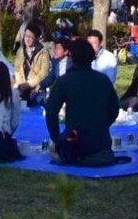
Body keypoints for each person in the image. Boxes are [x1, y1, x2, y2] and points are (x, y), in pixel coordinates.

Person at [44, 38, 120, 167]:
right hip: (101, 145)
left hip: (75, 144)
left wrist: (57, 138)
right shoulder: (103, 80)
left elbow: (51, 112)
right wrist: (101, 126)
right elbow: (114, 109)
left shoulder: (64, 81)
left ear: (72, 57)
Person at [13, 20, 51, 104]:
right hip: (21, 87)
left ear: (37, 38)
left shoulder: (43, 52)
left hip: (35, 89)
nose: (27, 39)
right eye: (26, 35)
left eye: (30, 36)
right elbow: (17, 69)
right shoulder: (20, 50)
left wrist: (29, 84)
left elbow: (43, 73)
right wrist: (20, 84)